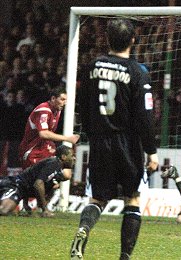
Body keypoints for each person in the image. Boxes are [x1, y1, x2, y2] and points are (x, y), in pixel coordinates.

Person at [70, 19, 159, 260]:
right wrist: (151, 151)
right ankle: (124, 256)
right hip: (127, 143)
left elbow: (83, 107)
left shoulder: (90, 67)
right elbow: (145, 115)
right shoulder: (138, 72)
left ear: (107, 39)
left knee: (97, 198)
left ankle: (84, 228)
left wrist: (92, 134)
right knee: (132, 199)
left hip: (100, 141)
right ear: (132, 40)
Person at [0, 145, 75, 217]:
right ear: (63, 157)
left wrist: (25, 204)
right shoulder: (54, 164)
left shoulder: (56, 168)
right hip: (14, 185)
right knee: (4, 210)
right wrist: (44, 209)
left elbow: (29, 179)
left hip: (18, 188)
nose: (74, 158)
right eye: (72, 155)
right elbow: (37, 184)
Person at [18, 87, 80, 169]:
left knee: (65, 171)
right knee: (37, 179)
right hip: (32, 150)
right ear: (53, 98)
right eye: (62, 99)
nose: (64, 103)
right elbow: (43, 133)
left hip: (45, 147)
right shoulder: (43, 110)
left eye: (65, 100)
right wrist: (67, 138)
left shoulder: (58, 111)